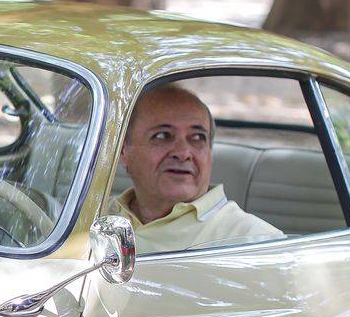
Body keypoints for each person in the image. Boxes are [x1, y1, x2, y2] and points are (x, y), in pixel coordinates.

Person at [107, 84, 282, 256]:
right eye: (162, 135)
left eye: (197, 137)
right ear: (123, 152)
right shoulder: (98, 216)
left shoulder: (257, 243)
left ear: (210, 155)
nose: (183, 153)